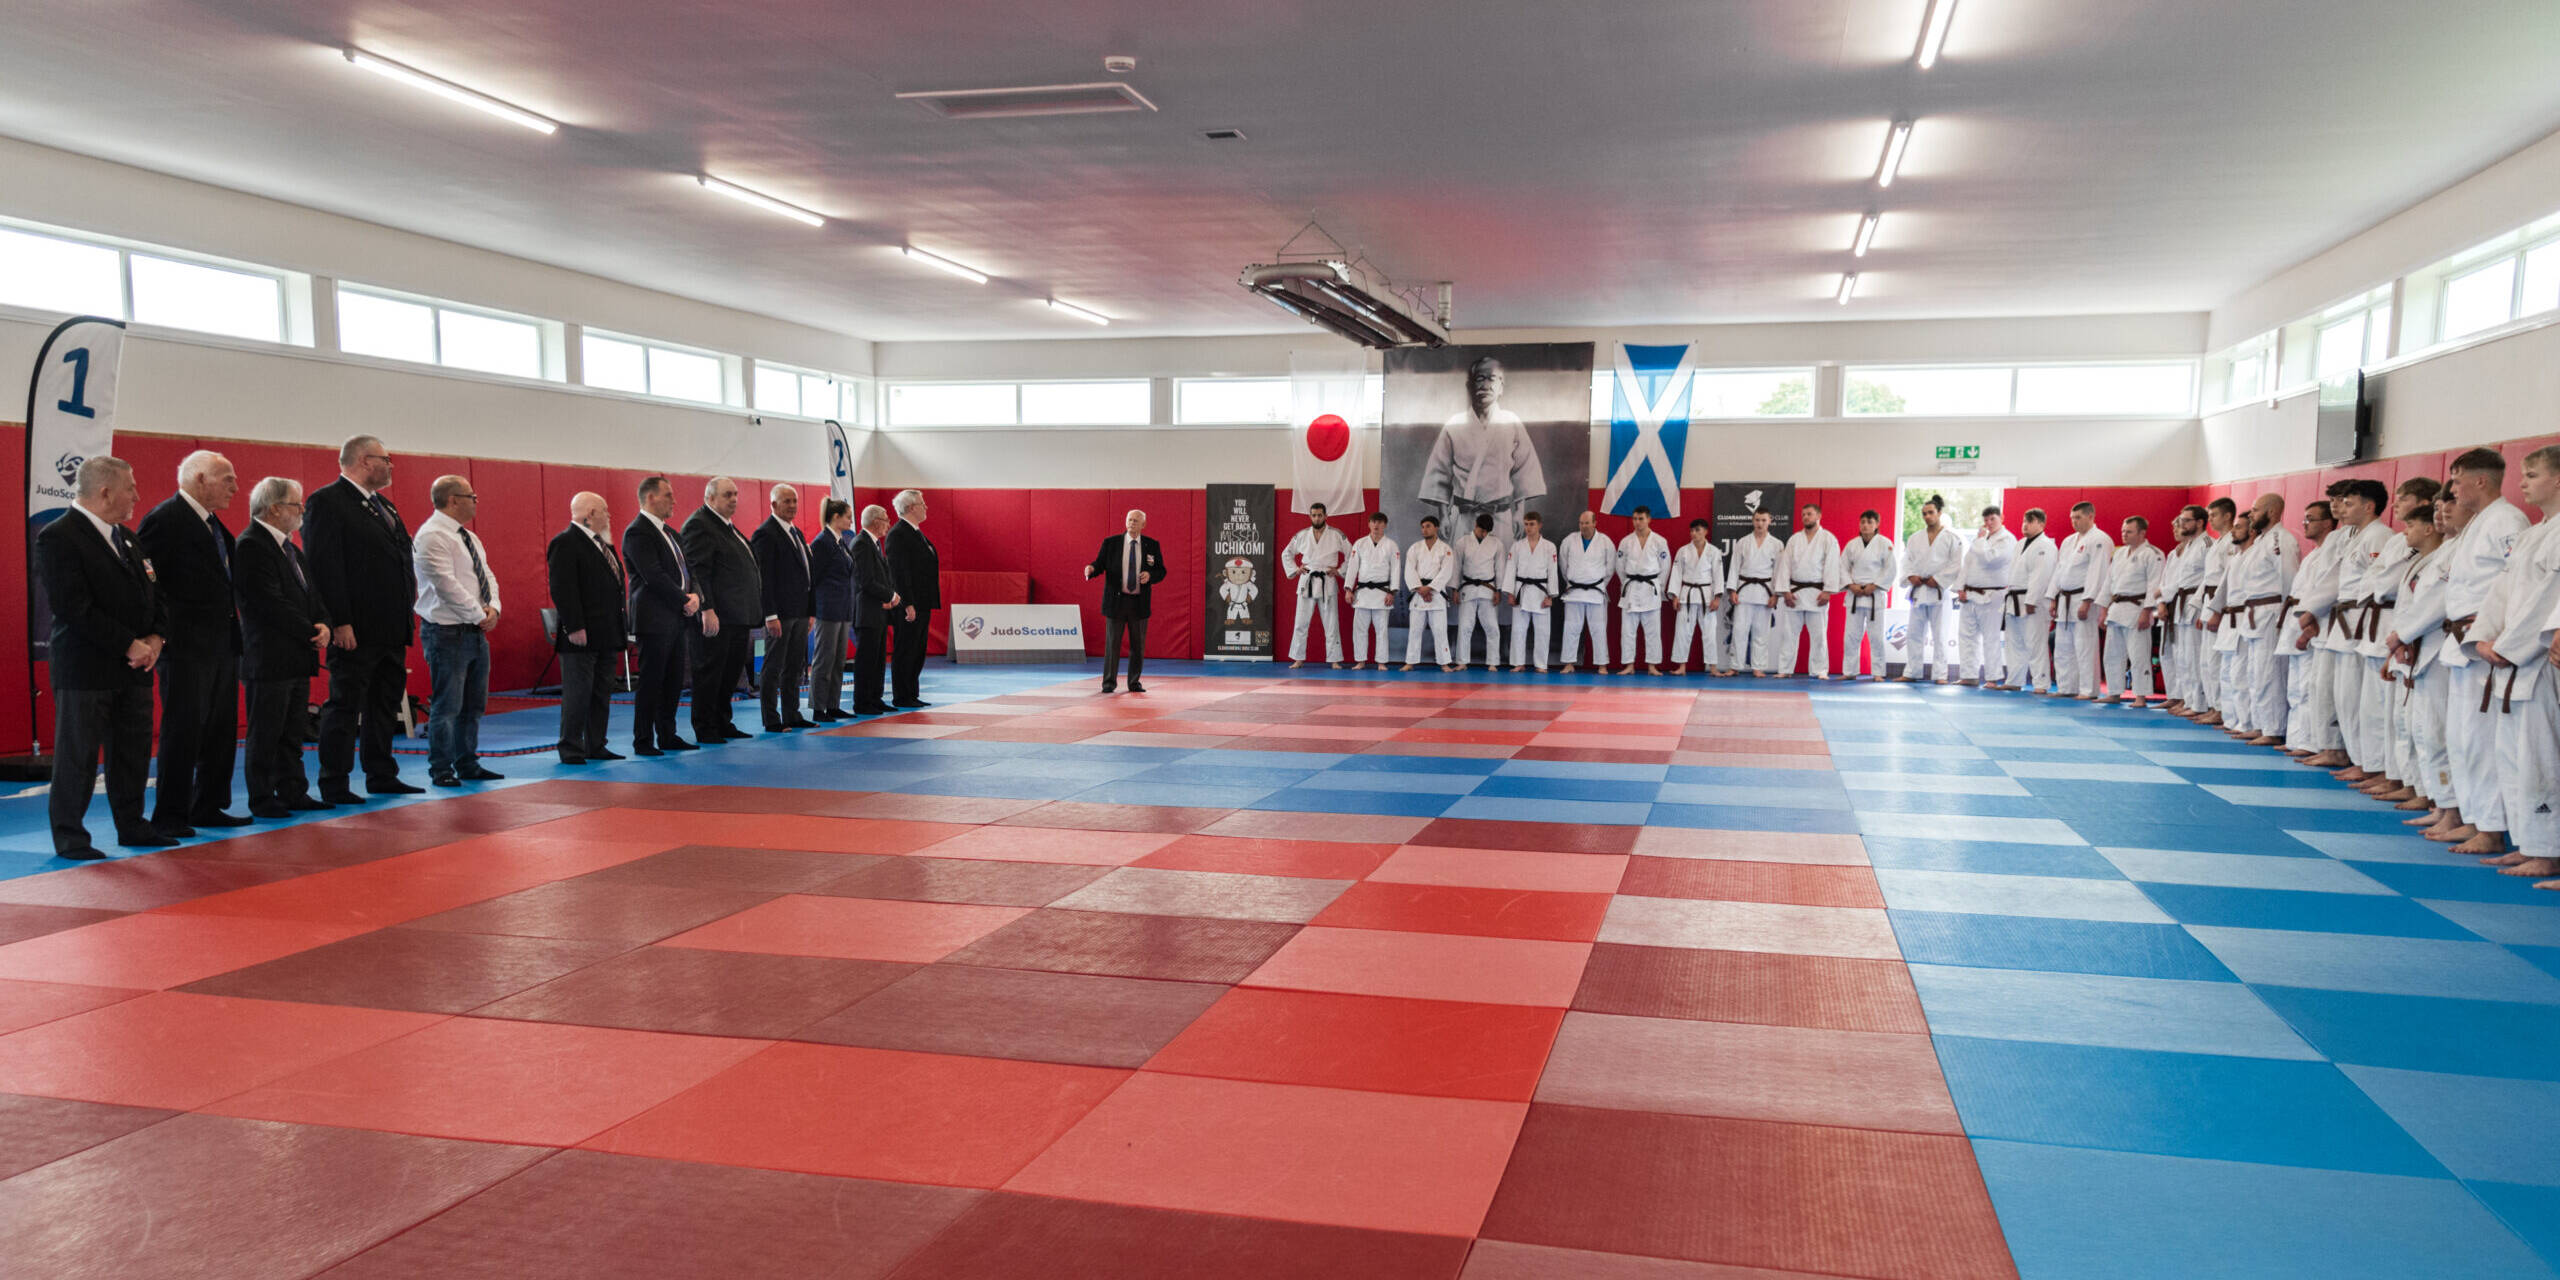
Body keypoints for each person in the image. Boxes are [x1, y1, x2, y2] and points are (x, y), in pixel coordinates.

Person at [36, 457, 167, 857]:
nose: (137, 496)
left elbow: (154, 593)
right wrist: (128, 643)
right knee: (78, 755)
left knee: (132, 753)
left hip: (136, 666)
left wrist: (157, 637)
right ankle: (70, 836)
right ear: (106, 492)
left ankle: (132, 825)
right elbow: (73, 607)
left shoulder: (127, 538)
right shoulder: (59, 536)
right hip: (86, 668)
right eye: (131, 488)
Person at [305, 434, 420, 803]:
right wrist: (339, 621)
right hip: (355, 627)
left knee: (384, 704)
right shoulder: (327, 501)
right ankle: (334, 782)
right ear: (364, 460)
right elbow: (324, 566)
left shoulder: (384, 506)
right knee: (344, 705)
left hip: (391, 625)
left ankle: (381, 773)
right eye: (385, 459)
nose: (390, 466)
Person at [136, 449, 247, 832]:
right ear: (200, 479)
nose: (235, 487)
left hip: (221, 642)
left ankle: (208, 805)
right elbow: (148, 583)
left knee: (220, 730)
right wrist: (160, 632)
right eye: (228, 479)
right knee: (183, 730)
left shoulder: (213, 524)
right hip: (185, 645)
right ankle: (171, 813)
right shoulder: (165, 520)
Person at [2424, 452, 2527, 853]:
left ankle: (2491, 827)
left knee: (2481, 741)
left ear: (2481, 481)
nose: (2452, 489)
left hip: (2486, 642)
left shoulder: (2507, 521)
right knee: (2462, 739)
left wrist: (2498, 637)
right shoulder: (2477, 524)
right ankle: (2473, 817)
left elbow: (2518, 585)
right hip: (2464, 640)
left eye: (2457, 480)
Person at [2471, 446, 2560, 886]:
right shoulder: (2534, 534)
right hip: (2515, 661)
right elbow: (2501, 593)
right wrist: (2483, 638)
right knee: (2515, 758)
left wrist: (2508, 646)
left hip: (2539, 660)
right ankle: (2529, 841)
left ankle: (2548, 851)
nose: (2522, 482)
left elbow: (2547, 600)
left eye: (2532, 474)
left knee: (2542, 758)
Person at [234, 477, 329, 818]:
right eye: (295, 504)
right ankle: (262, 797)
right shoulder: (251, 545)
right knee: (266, 733)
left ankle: (292, 790)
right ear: (274, 509)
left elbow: (311, 595)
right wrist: (309, 629)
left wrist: (323, 623)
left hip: (296, 655)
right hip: (268, 656)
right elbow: (267, 602)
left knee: (291, 731)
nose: (301, 510)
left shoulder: (290, 549)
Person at [412, 475, 501, 787]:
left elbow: (486, 575)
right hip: (446, 631)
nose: (476, 502)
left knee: (474, 705)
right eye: (471, 497)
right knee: (447, 706)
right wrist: (478, 614)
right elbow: (445, 584)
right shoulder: (431, 535)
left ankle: (468, 763)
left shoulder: (469, 537)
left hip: (475, 631)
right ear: (453, 500)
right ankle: (441, 769)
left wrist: (493, 607)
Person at [2304, 480, 2394, 773]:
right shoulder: (2354, 536)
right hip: (2345, 619)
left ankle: (2364, 762)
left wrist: (2313, 610)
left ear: (2368, 506)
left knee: (2356, 698)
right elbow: (2335, 579)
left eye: (2349, 502)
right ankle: (2350, 754)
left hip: (2361, 620)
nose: (2341, 507)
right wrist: (2309, 609)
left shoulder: (2380, 536)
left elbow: (2378, 584)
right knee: (2339, 694)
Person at [2366, 501, 2447, 803]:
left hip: (2426, 648)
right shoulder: (2418, 562)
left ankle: (2432, 795)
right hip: (2406, 647)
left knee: (2427, 730)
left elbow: (2430, 609)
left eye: (2411, 526)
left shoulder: (2440, 559)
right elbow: (2406, 610)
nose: (2405, 532)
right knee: (2405, 725)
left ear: (2428, 529)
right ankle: (2412, 784)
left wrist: (2403, 638)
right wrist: (2395, 648)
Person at [1420, 355, 1547, 547]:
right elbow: (1439, 474)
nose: (1486, 385)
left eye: (1492, 379)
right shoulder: (1454, 424)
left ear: (1501, 387)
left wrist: (1519, 513)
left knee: (1502, 562)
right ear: (1469, 385)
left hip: (1500, 516)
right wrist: (1443, 516)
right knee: (1461, 561)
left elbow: (1523, 472)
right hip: (1464, 516)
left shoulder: (1511, 422)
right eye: (1480, 378)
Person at [2388, 499, 2460, 818]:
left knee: (2435, 732)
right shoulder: (2430, 557)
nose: (2441, 514)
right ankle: (2431, 796)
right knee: (2417, 729)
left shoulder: (2455, 550)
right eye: (2438, 508)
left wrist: (2403, 635)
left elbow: (2437, 605)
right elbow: (2411, 607)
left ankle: (2446, 805)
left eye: (2446, 507)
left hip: (2439, 647)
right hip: (2416, 645)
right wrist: (2400, 639)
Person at [621, 475, 700, 756]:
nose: (674, 501)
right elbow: (653, 575)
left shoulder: (671, 534)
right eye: (668, 495)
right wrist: (684, 600)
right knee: (652, 680)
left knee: (673, 680)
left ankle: (668, 734)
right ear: (651, 497)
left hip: (677, 616)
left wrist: (695, 595)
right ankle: (643, 740)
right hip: (654, 618)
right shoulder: (637, 532)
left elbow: (688, 570)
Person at [548, 491, 628, 763]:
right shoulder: (565, 542)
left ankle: (596, 743)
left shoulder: (603, 545)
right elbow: (562, 588)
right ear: (590, 514)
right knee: (578, 693)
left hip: (607, 631)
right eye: (605, 510)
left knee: (601, 692)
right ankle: (571, 746)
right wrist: (574, 626)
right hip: (581, 633)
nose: (609, 515)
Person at [685, 477, 762, 740]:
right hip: (718, 615)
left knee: (729, 674)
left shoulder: (727, 527)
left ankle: (722, 721)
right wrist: (707, 609)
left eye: (736, 494)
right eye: (727, 494)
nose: (734, 499)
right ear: (710, 498)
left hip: (737, 615)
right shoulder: (700, 525)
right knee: (710, 673)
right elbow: (698, 572)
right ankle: (705, 726)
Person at [752, 485, 817, 731]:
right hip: (780, 612)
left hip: (800, 611)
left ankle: (792, 713)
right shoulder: (765, 534)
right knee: (773, 665)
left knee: (794, 666)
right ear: (773, 505)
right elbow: (764, 579)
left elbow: (807, 575)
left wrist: (811, 611)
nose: (792, 506)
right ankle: (771, 718)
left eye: (794, 501)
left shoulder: (795, 532)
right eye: (786, 501)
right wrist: (770, 615)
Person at [2278, 500, 2341, 748]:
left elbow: (2325, 591)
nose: (2304, 524)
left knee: (2309, 687)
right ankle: (2296, 739)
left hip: (2314, 623)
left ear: (2327, 523)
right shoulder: (2313, 555)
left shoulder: (2330, 553)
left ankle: (2311, 742)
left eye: (2310, 519)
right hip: (2298, 618)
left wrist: (2310, 620)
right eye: (2304, 518)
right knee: (2295, 686)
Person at [1084, 508, 1166, 692]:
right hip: (1116, 602)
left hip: (1139, 602)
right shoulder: (1111, 543)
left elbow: (1161, 571)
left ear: (1143, 524)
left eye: (1136, 520)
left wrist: (1150, 576)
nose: (1132, 523)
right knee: (1112, 645)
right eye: (1129, 519)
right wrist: (1091, 569)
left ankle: (1134, 682)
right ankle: (1108, 683)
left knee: (1138, 646)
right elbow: (1099, 564)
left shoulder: (1152, 545)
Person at [2044, 502, 2113, 698]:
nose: (2074, 522)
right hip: (2065, 598)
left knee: (2085, 646)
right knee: (2063, 646)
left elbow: (2098, 572)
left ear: (2091, 516)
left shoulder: (2100, 539)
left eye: (2078, 517)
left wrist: (2088, 601)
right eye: (2072, 518)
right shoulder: (2068, 541)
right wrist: (2052, 597)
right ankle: (2066, 687)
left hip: (2084, 599)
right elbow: (2059, 570)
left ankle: (2088, 690)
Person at [2096, 516, 2163, 703]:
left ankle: (2140, 696)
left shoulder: (2152, 554)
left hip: (2137, 608)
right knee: (2112, 654)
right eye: (2123, 531)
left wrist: (2147, 611)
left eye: (2129, 531)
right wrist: (2103, 610)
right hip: (2116, 609)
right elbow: (2108, 583)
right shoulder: (2119, 554)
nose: (2124, 534)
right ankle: (2114, 692)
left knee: (2138, 655)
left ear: (2142, 533)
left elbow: (2154, 585)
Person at [885, 489, 940, 707]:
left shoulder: (916, 533)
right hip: (909, 602)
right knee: (906, 648)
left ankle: (911, 693)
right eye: (922, 504)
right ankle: (902, 694)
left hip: (922, 601)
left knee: (917, 649)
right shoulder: (898, 534)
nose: (925, 507)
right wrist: (907, 603)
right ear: (910, 508)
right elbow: (899, 573)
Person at [1280, 503, 1351, 668]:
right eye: (1314, 515)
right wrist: (1296, 569)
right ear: (1310, 516)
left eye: (1320, 515)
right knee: (1301, 622)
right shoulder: (1302, 535)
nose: (1317, 518)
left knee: (1331, 623)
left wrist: (1340, 570)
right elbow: (1286, 553)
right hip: (1307, 580)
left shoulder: (1336, 534)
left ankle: (1334, 660)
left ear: (1326, 516)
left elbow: (1352, 554)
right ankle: (1298, 658)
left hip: (1327, 580)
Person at [1900, 495, 1962, 683]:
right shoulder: (1915, 538)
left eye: (1931, 512)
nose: (1927, 516)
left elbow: (1956, 564)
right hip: (1919, 590)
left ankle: (1940, 674)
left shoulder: (1952, 538)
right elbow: (1906, 560)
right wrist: (1910, 576)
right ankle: (1912, 672)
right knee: (1914, 634)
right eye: (1924, 514)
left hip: (1938, 591)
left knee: (1940, 635)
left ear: (1939, 513)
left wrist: (1939, 579)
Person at [1775, 503, 1842, 679]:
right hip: (1795, 593)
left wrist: (1828, 591)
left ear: (1818, 516)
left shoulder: (1828, 539)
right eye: (1803, 514)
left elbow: (1832, 565)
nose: (1805, 517)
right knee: (1789, 634)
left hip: (1817, 593)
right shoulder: (1794, 539)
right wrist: (1785, 591)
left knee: (1819, 635)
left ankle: (1819, 670)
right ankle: (1785, 669)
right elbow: (1785, 565)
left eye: (1809, 514)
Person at [1955, 505, 2019, 686]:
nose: (1988, 523)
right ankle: (1969, 675)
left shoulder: (2007, 539)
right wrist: (1960, 587)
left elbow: (1990, 559)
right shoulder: (1981, 540)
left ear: (2002, 518)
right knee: (1966, 636)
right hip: (1970, 594)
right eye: (1986, 520)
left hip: (1992, 594)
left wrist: (1980, 540)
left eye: (1992, 519)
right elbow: (1967, 564)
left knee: (1991, 637)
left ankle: (1992, 677)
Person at [2154, 506, 2209, 713]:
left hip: (2193, 603)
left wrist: (2163, 592)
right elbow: (2171, 580)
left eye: (2185, 522)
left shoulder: (2206, 545)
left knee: (2192, 657)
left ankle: (2196, 703)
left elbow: (2205, 579)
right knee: (2178, 657)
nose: (2180, 527)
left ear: (2199, 522)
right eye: (2179, 523)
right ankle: (2182, 698)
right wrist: (2161, 600)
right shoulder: (2179, 551)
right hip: (2177, 604)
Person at [849, 504, 903, 714]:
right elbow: (866, 580)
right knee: (866, 659)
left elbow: (881, 577)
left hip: (878, 609)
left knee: (879, 658)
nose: (888, 524)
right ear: (875, 521)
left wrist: (890, 595)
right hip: (867, 610)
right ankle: (863, 701)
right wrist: (891, 595)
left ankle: (875, 697)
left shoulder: (874, 544)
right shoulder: (861, 544)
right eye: (886, 520)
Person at [807, 498, 857, 720]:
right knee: (824, 659)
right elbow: (813, 579)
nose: (851, 521)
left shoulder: (840, 542)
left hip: (843, 609)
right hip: (827, 609)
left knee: (838, 660)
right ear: (836, 517)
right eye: (848, 517)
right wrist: (812, 609)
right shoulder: (822, 543)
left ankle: (833, 704)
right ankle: (819, 708)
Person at [1998, 508, 2056, 692]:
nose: (2025, 525)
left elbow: (2041, 575)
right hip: (2014, 598)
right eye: (2024, 521)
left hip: (2033, 602)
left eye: (2030, 521)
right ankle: (2015, 680)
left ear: (2041, 524)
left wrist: (2031, 600)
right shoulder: (2020, 543)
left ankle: (2041, 683)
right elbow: (2013, 572)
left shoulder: (2046, 546)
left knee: (2035, 643)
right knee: (2014, 643)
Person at [1725, 507, 1784, 677]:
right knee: (1739, 630)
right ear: (1753, 521)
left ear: (1769, 521)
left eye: (1763, 520)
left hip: (1765, 593)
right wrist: (1732, 590)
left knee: (1761, 632)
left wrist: (1776, 595)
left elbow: (1779, 571)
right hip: (1744, 591)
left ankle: (1758, 666)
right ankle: (1735, 666)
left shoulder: (1777, 544)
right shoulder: (1743, 542)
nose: (1760, 523)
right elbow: (1734, 567)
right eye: (1757, 520)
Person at [1840, 510, 1897, 681]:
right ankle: (1849, 671)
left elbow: (1890, 569)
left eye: (1869, 522)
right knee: (1851, 636)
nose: (1865, 525)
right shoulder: (1852, 545)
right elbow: (1842, 567)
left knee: (1876, 636)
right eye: (1863, 522)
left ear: (1877, 524)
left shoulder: (1885, 543)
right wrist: (1851, 585)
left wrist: (1875, 585)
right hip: (1855, 595)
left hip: (1875, 595)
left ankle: (1878, 672)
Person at [1616, 506, 1672, 675]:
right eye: (1635, 519)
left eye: (1641, 519)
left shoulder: (1659, 541)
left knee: (1653, 631)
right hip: (1631, 587)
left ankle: (1652, 666)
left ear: (1649, 519)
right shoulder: (1626, 541)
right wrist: (1626, 583)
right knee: (1627, 631)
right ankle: (1629, 665)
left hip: (1650, 588)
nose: (1637, 522)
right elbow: (1619, 566)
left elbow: (1665, 566)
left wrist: (1659, 586)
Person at [1558, 510, 1615, 674]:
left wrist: (1599, 584)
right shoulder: (1569, 540)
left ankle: (1602, 664)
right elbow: (1563, 565)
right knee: (1571, 628)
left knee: (1599, 629)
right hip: (1574, 591)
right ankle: (1569, 663)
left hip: (1595, 591)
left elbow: (1610, 568)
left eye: (1587, 523)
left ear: (1595, 523)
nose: (1583, 526)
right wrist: (1571, 581)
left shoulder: (1605, 542)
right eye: (1581, 523)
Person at [1669, 518, 1725, 675]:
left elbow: (1718, 575)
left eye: (1697, 530)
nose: (1694, 533)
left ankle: (1713, 667)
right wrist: (1675, 596)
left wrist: (1717, 597)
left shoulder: (1714, 551)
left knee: (1709, 633)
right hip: (1686, 594)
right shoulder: (1683, 551)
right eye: (1692, 530)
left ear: (1705, 531)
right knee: (1682, 632)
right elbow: (1676, 574)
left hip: (1707, 595)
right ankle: (1681, 666)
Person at [1504, 511, 1558, 672]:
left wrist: (1551, 596)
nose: (1528, 528)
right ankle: (1518, 663)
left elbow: (1552, 572)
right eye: (1526, 524)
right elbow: (1510, 569)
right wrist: (1510, 593)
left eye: (1532, 524)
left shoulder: (1549, 546)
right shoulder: (1517, 546)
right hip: (1521, 591)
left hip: (1541, 592)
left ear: (1539, 525)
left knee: (1542, 631)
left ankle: (1540, 664)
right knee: (1518, 630)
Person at [1453, 513, 1508, 669]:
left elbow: (1500, 568)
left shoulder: (1497, 543)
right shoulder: (1462, 542)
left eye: (1486, 532)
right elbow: (1456, 567)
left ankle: (1493, 662)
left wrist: (1498, 590)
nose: (1483, 534)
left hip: (1488, 589)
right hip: (1467, 587)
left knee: (1492, 627)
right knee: (1465, 626)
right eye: (1481, 530)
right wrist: (1455, 589)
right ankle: (1462, 662)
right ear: (1475, 525)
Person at [1347, 513, 1402, 670]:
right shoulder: (1360, 543)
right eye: (1373, 522)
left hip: (1382, 593)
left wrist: (1392, 592)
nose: (1376, 525)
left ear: (1385, 525)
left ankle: (1381, 662)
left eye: (1379, 522)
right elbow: (1352, 567)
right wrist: (1348, 589)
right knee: (1359, 629)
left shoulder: (1391, 545)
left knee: (1381, 630)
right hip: (1362, 592)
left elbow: (1396, 569)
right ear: (1369, 524)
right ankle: (1360, 661)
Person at [1403, 515, 1457, 671]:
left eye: (1428, 526)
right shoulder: (1415, 548)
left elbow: (1446, 572)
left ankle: (1444, 662)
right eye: (1422, 527)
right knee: (1415, 630)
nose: (1424, 530)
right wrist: (1420, 589)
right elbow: (1409, 571)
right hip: (1419, 593)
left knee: (1440, 630)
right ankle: (1410, 661)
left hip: (1436, 594)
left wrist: (1430, 588)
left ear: (1436, 527)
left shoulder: (1445, 549)